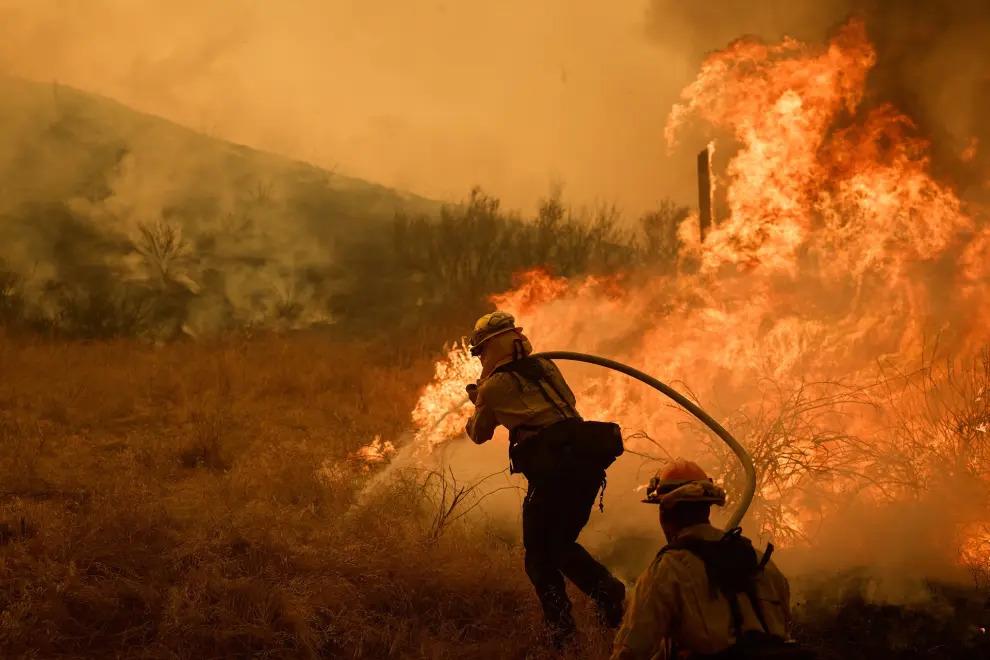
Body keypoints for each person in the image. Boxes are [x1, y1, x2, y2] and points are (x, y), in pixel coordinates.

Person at [464, 310, 626, 645]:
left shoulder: (492, 387)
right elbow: (567, 402)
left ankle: (564, 626)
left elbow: (478, 434)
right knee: (560, 544)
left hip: (554, 473)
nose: (480, 358)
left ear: (490, 347)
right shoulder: (547, 366)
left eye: (481, 352)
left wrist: (479, 401)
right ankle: (603, 595)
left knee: (539, 553)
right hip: (586, 463)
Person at [610, 460, 808, 660]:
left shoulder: (668, 569)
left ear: (665, 513)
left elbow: (629, 652)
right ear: (707, 509)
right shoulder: (762, 563)